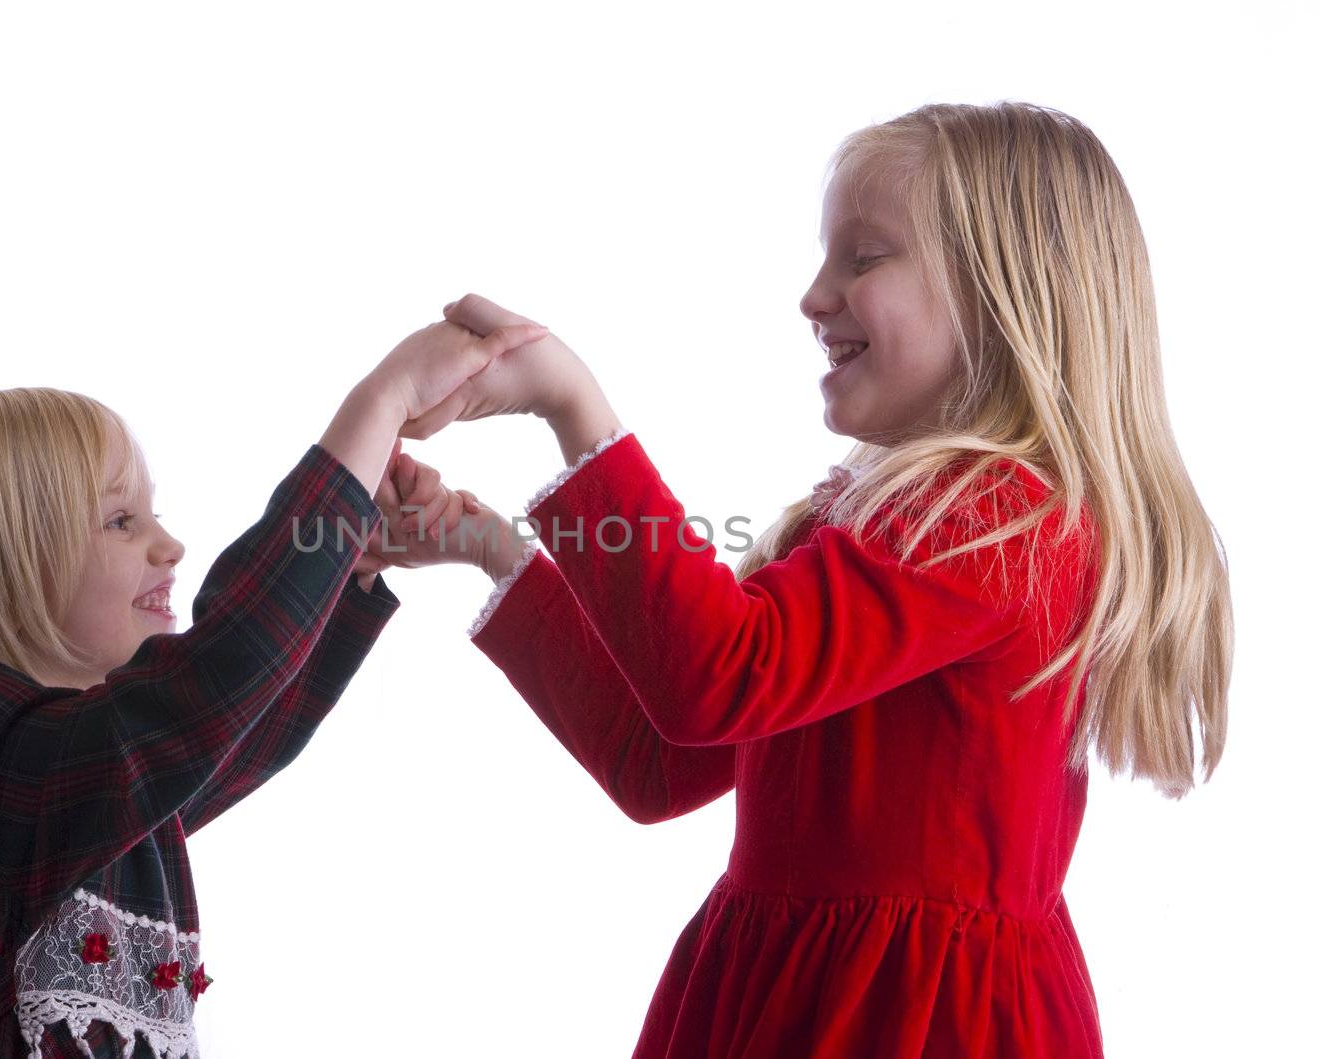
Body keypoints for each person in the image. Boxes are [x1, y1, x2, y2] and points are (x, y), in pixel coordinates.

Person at [363, 102, 1233, 1057]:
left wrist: (574, 406)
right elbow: (662, 758)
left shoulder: (1000, 522)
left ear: (1001, 294)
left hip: (911, 1021)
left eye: (864, 258)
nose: (814, 297)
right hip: (796, 995)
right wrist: (490, 546)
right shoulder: (877, 520)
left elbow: (717, 673)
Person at [0, 317, 548, 1057]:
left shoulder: (75, 780)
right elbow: (215, 685)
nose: (170, 546)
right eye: (121, 521)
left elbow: (237, 732)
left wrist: (351, 561)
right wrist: (381, 403)